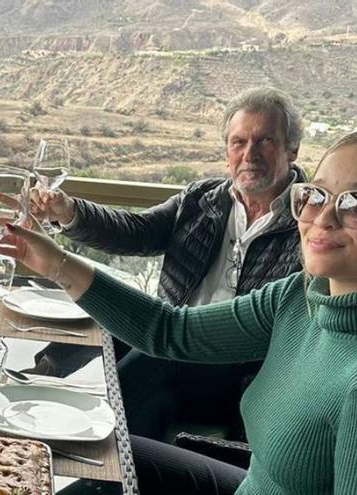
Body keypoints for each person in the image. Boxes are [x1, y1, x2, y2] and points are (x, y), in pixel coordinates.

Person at [0, 127, 357, 494]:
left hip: (224, 393)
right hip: (248, 482)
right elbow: (169, 329)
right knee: (111, 458)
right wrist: (53, 262)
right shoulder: (299, 295)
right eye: (316, 195)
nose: (323, 217)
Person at [31, 87, 306, 441]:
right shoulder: (201, 199)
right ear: (227, 153)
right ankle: (40, 381)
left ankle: (79, 431)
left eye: (265, 141)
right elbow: (137, 231)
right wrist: (69, 212)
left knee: (157, 346)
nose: (249, 154)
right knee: (118, 313)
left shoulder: (310, 220)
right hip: (174, 344)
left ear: (292, 149)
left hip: (240, 371)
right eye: (238, 142)